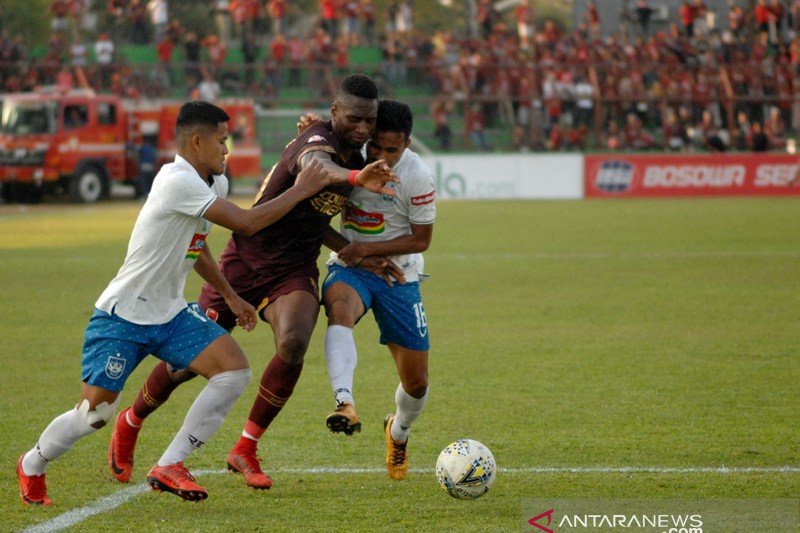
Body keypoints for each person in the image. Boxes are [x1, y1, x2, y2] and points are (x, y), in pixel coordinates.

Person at [15, 101, 336, 506]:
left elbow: (195, 247)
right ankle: (33, 462)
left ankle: (170, 463)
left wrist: (232, 296)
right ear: (196, 141)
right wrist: (304, 187)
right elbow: (248, 222)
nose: (227, 150)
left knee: (234, 372)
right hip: (123, 316)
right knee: (93, 416)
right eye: (222, 141)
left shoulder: (211, 183)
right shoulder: (176, 181)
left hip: (168, 313)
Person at [107, 74, 400, 490]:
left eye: (369, 121)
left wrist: (353, 249)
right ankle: (131, 420)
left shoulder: (359, 156)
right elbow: (316, 169)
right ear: (334, 113)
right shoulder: (318, 141)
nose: (363, 128)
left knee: (295, 341)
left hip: (295, 267)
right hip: (246, 260)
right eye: (354, 118)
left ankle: (245, 448)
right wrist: (354, 179)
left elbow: (313, 216)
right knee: (182, 367)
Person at [319, 100, 435, 481]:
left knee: (416, 384)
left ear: (407, 144)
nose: (382, 157)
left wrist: (368, 249)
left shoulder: (417, 176)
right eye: (376, 147)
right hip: (351, 267)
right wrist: (354, 254)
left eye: (392, 150)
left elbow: (421, 240)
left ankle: (397, 431)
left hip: (398, 274)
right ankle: (344, 402)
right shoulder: (347, 159)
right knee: (339, 307)